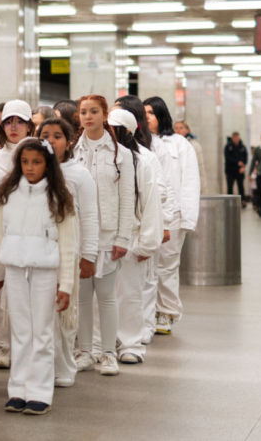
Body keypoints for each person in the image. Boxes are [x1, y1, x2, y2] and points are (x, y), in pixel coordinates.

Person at [0, 138, 77, 416]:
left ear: (48, 165)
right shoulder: (7, 193)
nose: (30, 167)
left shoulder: (58, 196)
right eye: (25, 162)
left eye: (37, 162)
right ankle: (18, 390)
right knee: (20, 331)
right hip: (15, 270)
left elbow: (68, 244)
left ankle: (39, 393)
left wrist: (66, 285)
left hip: (45, 272)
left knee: (42, 331)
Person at [72, 95, 135, 377]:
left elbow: (127, 198)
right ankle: (85, 353)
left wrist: (123, 238)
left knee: (107, 297)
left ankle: (109, 353)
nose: (88, 116)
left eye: (94, 111)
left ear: (105, 115)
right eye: (83, 112)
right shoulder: (72, 152)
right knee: (83, 299)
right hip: (79, 235)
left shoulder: (121, 154)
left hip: (108, 236)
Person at [37, 117, 98, 388]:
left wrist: (89, 255)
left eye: (57, 136)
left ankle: (64, 367)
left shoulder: (79, 174)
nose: (50, 141)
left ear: (69, 141)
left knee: (64, 314)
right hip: (37, 254)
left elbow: (91, 217)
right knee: (40, 315)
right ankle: (42, 367)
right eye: (45, 135)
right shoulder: (32, 171)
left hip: (68, 255)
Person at [113, 95, 175, 345]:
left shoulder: (146, 156)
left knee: (140, 286)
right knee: (115, 291)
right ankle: (113, 336)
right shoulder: (101, 155)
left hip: (138, 231)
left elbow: (161, 193)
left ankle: (141, 332)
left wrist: (162, 227)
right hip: (112, 234)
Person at [107, 110, 163, 365]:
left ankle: (130, 344)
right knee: (102, 296)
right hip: (104, 238)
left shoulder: (142, 163)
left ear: (126, 132)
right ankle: (102, 344)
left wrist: (146, 244)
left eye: (114, 129)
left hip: (131, 239)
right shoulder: (100, 159)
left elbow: (151, 204)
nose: (108, 133)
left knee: (130, 294)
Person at [143, 96, 200, 337]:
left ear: (161, 115)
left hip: (173, 215)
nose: (147, 117)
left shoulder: (179, 144)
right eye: (143, 112)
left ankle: (165, 312)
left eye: (151, 113)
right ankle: (145, 314)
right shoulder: (139, 142)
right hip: (145, 214)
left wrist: (187, 218)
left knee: (166, 267)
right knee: (144, 268)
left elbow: (190, 182)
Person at [0, 99, 32, 369]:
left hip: (32, 233)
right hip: (2, 232)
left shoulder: (40, 155)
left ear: (29, 126)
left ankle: (27, 348)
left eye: (20, 122)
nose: (14, 127)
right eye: (8, 122)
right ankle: (2, 348)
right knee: (0, 294)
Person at [174, 120, 207, 193]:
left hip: (189, 183)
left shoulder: (194, 146)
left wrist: (203, 189)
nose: (178, 130)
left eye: (181, 128)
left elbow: (200, 168)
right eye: (176, 128)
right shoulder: (170, 145)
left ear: (187, 130)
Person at [224, 132, 248, 205]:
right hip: (230, 170)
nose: (236, 139)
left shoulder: (242, 147)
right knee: (230, 187)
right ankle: (229, 201)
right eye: (235, 138)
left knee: (241, 186)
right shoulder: (228, 147)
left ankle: (242, 200)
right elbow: (228, 158)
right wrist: (237, 162)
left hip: (240, 170)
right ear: (232, 138)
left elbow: (245, 157)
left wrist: (242, 166)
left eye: (237, 138)